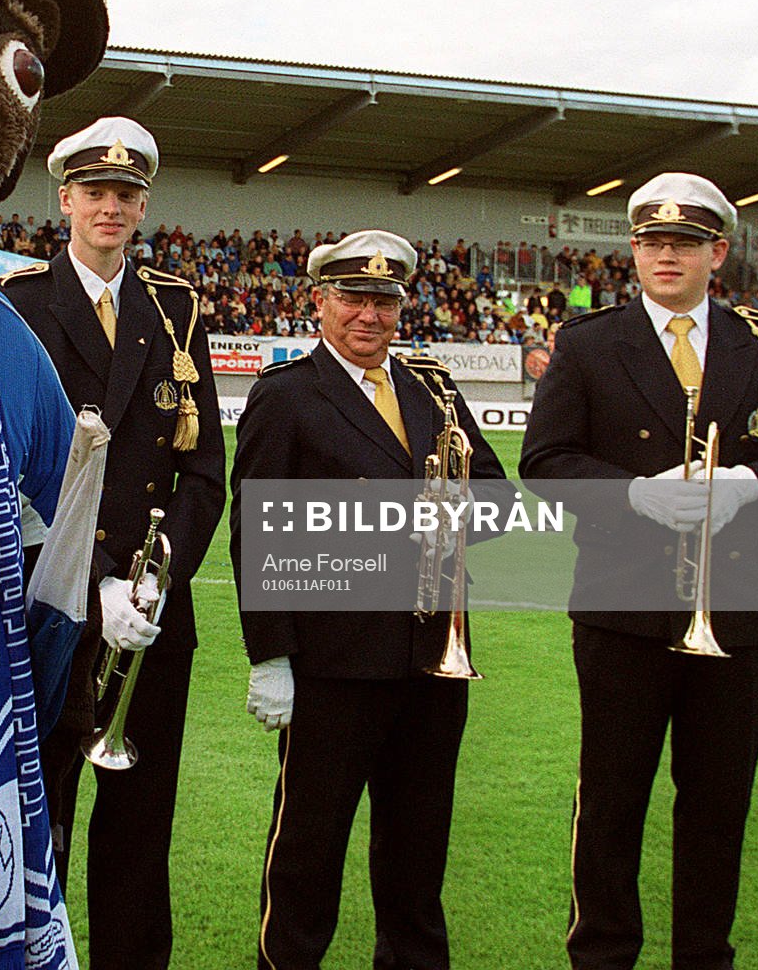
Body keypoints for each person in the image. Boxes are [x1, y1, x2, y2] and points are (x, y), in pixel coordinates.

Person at [520, 173, 758, 970]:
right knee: (609, 803)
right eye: (651, 242)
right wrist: (631, 495)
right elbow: (545, 461)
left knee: (717, 807)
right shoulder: (588, 343)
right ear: (632, 251)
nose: (666, 256)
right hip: (620, 606)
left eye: (685, 243)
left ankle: (704, 957)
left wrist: (746, 488)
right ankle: (601, 957)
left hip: (732, 606)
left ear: (716, 253)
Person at [230, 230, 508, 970]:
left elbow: (500, 502)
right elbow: (255, 534)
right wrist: (270, 656)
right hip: (331, 665)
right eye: (352, 298)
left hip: (430, 661)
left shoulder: (432, 388)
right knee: (306, 857)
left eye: (383, 301)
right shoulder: (285, 395)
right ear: (318, 302)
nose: (369, 316)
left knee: (417, 859)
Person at [0, 116, 226, 970]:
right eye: (95, 192)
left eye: (127, 195)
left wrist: (159, 583)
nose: (111, 206)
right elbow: (9, 460)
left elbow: (204, 467)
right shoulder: (19, 304)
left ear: (141, 207)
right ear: (64, 200)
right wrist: (94, 579)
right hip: (48, 600)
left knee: (140, 825)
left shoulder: (175, 308)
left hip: (152, 611)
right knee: (41, 810)